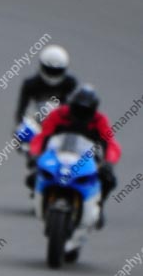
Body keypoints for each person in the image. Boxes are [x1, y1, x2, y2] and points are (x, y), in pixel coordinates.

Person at [29, 84, 122, 225]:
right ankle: (42, 202)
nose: (80, 113)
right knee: (32, 177)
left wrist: (109, 162)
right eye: (78, 108)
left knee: (108, 179)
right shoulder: (58, 114)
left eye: (85, 110)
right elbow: (43, 136)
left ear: (93, 110)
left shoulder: (99, 120)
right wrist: (35, 154)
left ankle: (99, 205)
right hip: (59, 155)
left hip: (87, 160)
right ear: (71, 104)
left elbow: (111, 144)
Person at [15, 45, 77, 125]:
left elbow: (76, 108)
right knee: (20, 135)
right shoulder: (31, 84)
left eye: (56, 71)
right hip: (37, 124)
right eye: (50, 70)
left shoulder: (70, 83)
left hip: (63, 124)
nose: (52, 75)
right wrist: (22, 126)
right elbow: (21, 111)